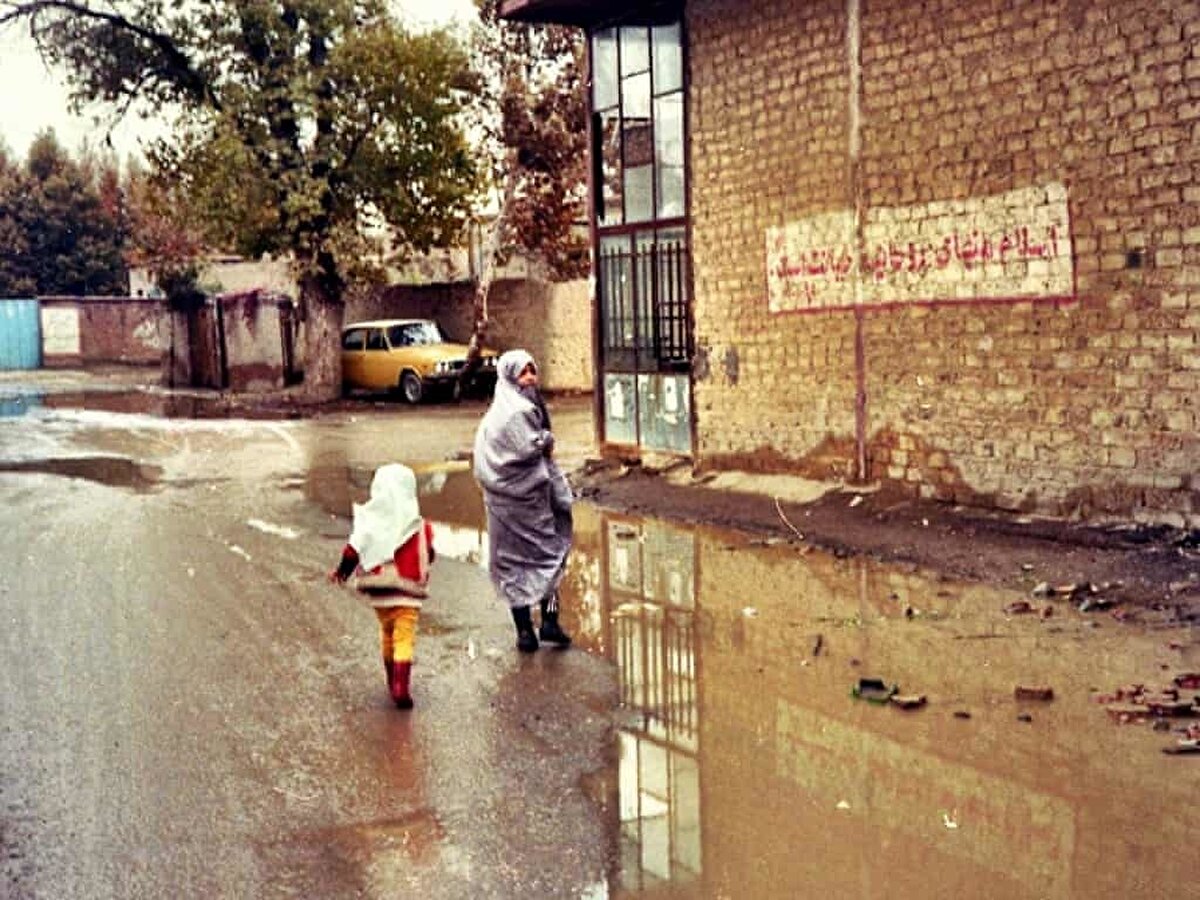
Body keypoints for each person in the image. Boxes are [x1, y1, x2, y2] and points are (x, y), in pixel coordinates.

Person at [473, 349, 573, 652]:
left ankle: (534, 628)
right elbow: (528, 448)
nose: (530, 378)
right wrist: (546, 440)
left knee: (518, 564)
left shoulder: (497, 415)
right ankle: (539, 625)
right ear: (509, 377)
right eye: (522, 373)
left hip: (509, 505)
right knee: (550, 557)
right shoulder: (517, 413)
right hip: (524, 504)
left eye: (533, 371)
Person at [329, 463, 435, 709]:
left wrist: (341, 573)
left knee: (387, 632)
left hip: (379, 592)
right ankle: (401, 686)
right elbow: (428, 554)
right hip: (408, 593)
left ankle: (391, 680)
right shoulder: (419, 526)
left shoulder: (370, 523)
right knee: (404, 636)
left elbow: (352, 551)